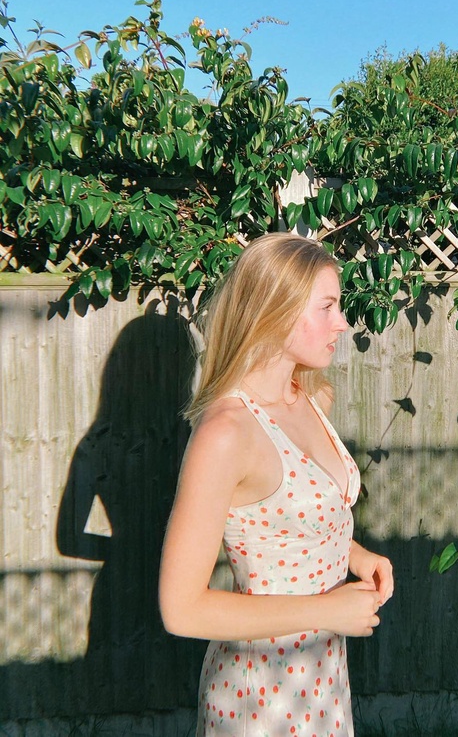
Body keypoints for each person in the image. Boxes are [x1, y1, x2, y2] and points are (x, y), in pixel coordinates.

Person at [159, 232, 393, 737]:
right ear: (276, 310)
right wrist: (326, 609)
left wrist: (354, 555)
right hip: (258, 699)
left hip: (323, 681)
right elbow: (181, 610)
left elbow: (286, 519)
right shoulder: (226, 433)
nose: (342, 322)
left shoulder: (310, 396)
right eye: (327, 307)